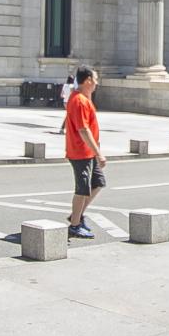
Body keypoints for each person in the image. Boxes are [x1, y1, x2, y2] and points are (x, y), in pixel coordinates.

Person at [63, 67, 104, 239]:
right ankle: (74, 225)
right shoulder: (79, 100)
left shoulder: (83, 98)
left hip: (88, 152)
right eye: (95, 79)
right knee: (82, 189)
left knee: (98, 183)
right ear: (88, 80)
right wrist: (98, 153)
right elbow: (83, 129)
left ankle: (77, 216)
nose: (96, 83)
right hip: (80, 152)